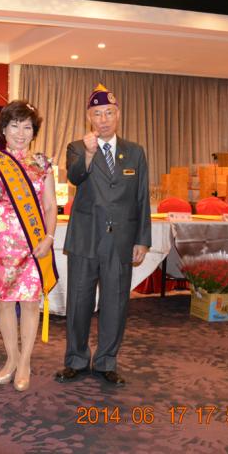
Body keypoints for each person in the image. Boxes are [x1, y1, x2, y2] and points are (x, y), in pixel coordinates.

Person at [55, 84, 151, 387]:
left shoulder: (134, 152)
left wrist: (142, 239)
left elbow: (141, 198)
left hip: (120, 241)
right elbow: (75, 177)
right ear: (89, 117)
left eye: (109, 112)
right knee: (79, 302)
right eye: (97, 114)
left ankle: (107, 361)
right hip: (85, 238)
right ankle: (76, 359)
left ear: (118, 114)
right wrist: (89, 153)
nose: (104, 119)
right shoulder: (77, 147)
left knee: (115, 302)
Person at [0, 101, 57, 392]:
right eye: (14, 126)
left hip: (33, 244)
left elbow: (50, 206)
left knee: (30, 303)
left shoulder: (43, 163)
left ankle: (25, 361)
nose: (21, 133)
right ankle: (11, 358)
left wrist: (48, 238)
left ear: (34, 131)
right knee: (4, 303)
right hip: (2, 243)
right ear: (4, 129)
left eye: (27, 127)